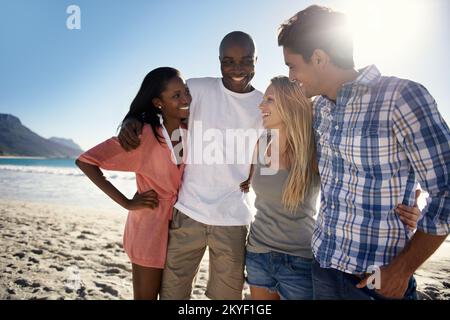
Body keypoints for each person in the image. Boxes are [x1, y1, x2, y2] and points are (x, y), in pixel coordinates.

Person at [277, 5, 450, 299]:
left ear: (319, 57)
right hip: (324, 267)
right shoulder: (319, 109)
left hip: (377, 282)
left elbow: (446, 190)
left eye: (292, 66)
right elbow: (328, 169)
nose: (292, 76)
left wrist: (402, 269)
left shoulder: (401, 98)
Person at [240, 77, 422, 300]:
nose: (261, 106)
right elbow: (246, 181)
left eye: (269, 100)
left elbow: (356, 190)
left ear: (289, 105)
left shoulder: (315, 152)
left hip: (299, 260)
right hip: (258, 253)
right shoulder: (261, 143)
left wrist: (410, 212)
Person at [118, 31, 263, 300]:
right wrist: (133, 118)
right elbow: (161, 101)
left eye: (246, 60)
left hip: (232, 218)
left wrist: (253, 173)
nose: (237, 68)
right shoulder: (197, 89)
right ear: (218, 60)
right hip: (187, 211)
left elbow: (265, 146)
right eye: (228, 61)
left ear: (257, 60)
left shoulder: (263, 104)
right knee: (172, 296)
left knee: (227, 299)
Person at [76, 67, 191, 300]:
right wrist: (126, 203)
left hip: (183, 229)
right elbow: (86, 161)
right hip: (149, 229)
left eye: (186, 91)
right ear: (159, 102)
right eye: (176, 95)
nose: (186, 99)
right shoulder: (143, 135)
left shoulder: (190, 130)